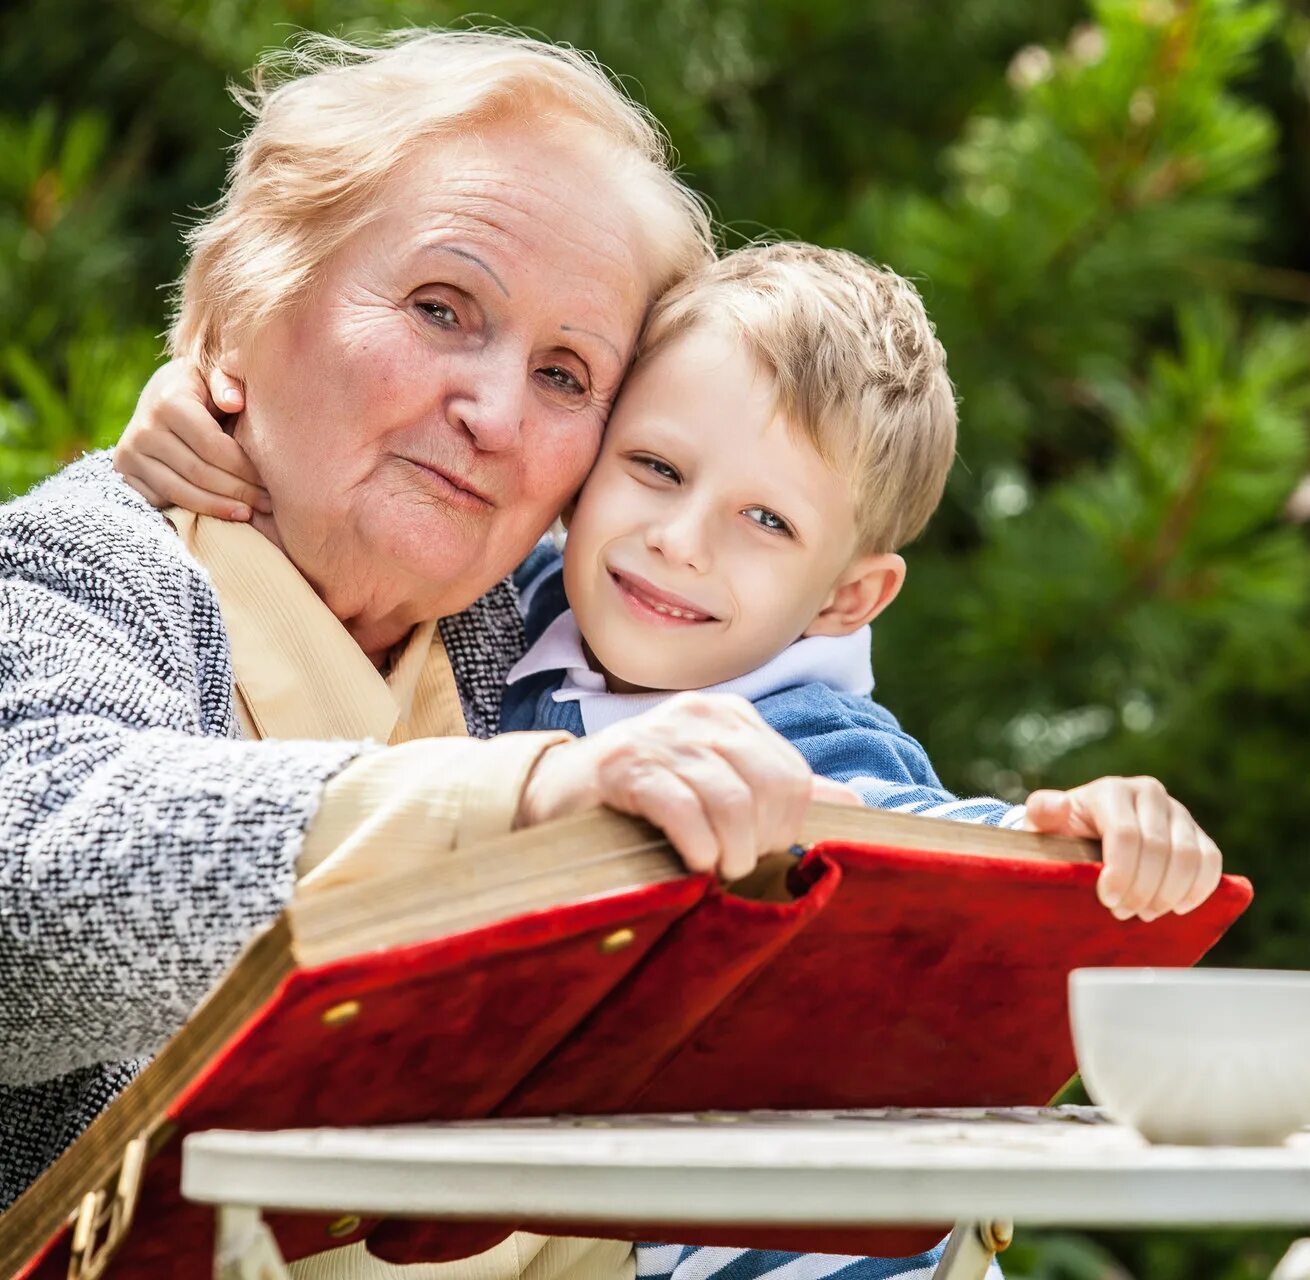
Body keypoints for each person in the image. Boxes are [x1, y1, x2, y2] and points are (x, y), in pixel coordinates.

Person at [0, 29, 810, 1280]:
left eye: (564, 372)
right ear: (235, 313)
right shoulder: (77, 569)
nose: (493, 413)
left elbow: (822, 721)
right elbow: (37, 885)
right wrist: (525, 800)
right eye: (442, 309)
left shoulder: (547, 629)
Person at [128, 241, 1227, 923]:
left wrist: (1090, 838)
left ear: (848, 597)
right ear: (581, 468)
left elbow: (932, 862)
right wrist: (207, 404)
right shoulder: (526, 608)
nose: (679, 541)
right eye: (654, 468)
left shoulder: (816, 741)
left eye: (765, 519)